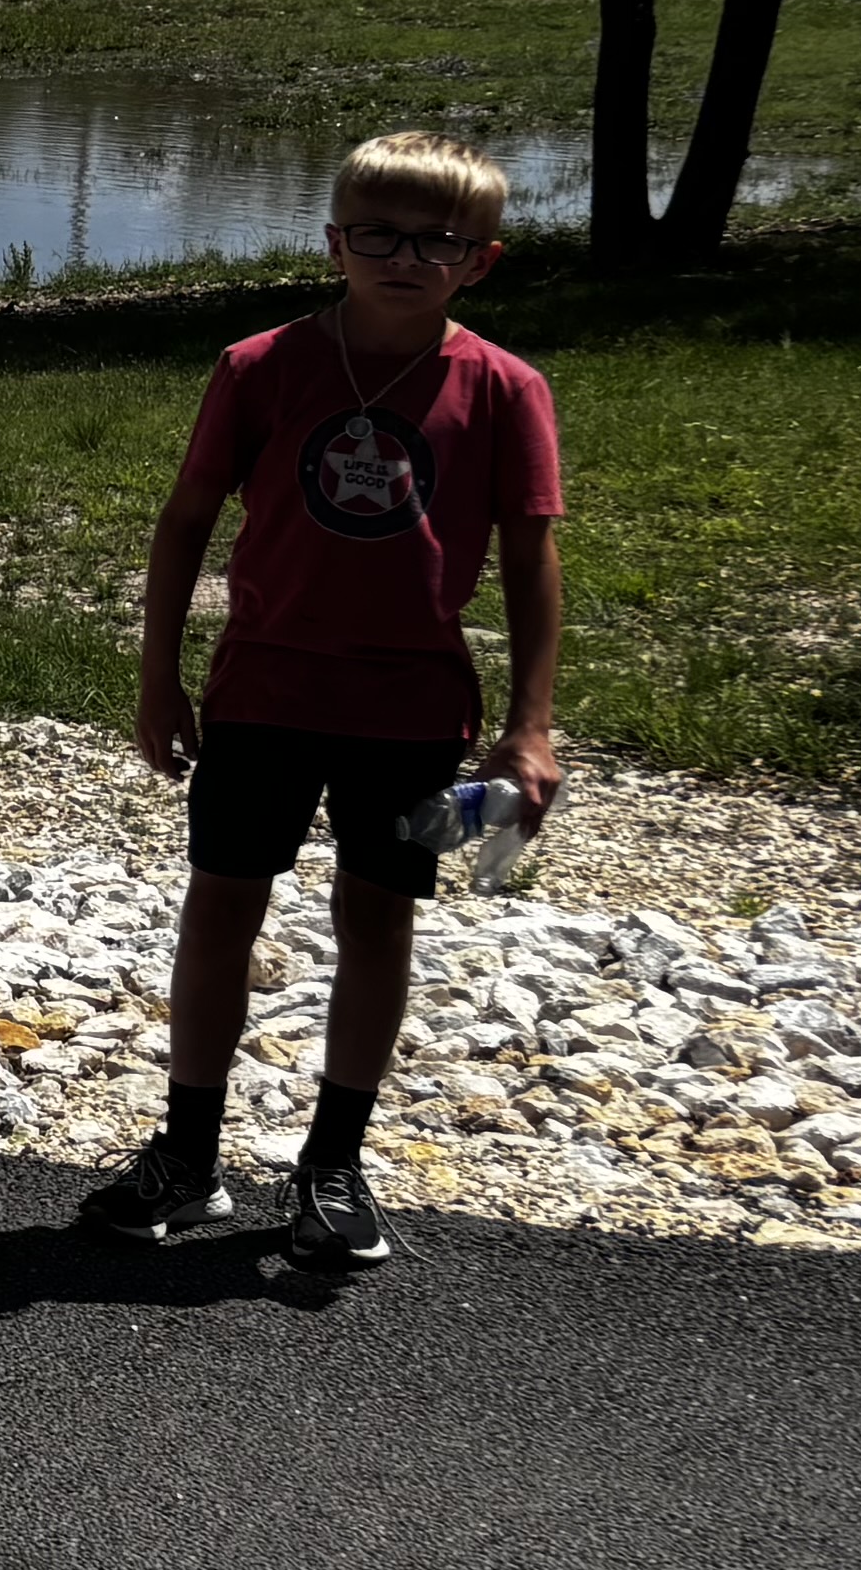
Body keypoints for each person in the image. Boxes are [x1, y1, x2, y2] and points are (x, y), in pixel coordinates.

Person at [92, 133, 567, 1267]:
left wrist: (530, 724)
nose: (404, 259)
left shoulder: (505, 389)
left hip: (413, 711)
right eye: (377, 236)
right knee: (220, 911)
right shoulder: (261, 365)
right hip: (262, 691)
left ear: (480, 260)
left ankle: (334, 1161)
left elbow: (534, 555)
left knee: (377, 919)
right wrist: (158, 677)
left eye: (436, 242)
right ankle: (189, 1150)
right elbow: (186, 519)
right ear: (334, 243)